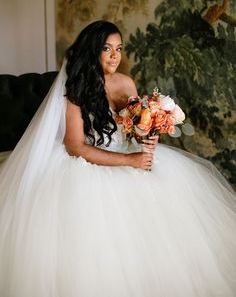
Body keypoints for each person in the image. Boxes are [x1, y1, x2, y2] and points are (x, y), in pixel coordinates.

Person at [0, 20, 235, 297]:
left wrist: (148, 135)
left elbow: (134, 130)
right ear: (92, 51)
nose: (115, 55)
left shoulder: (126, 83)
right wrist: (130, 161)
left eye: (119, 48)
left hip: (127, 153)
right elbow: (75, 146)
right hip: (88, 161)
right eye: (107, 48)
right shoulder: (75, 89)